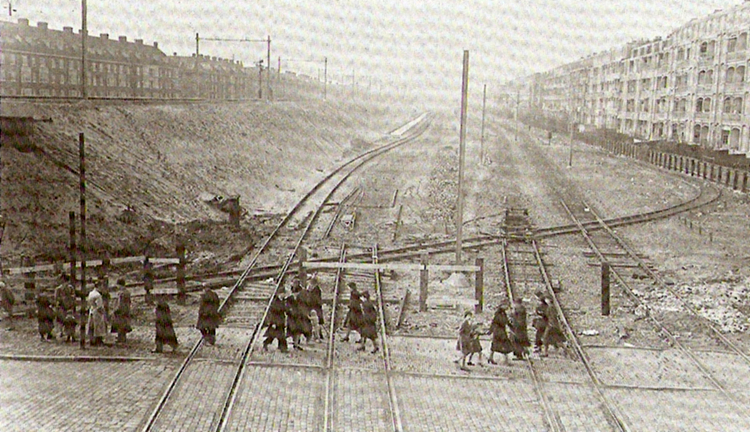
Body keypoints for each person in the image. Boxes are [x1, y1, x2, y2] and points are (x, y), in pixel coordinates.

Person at [285, 284, 312, 350]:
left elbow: (302, 307)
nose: (296, 294)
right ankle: (291, 343)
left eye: (297, 293)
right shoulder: (289, 299)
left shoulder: (300, 298)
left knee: (298, 331)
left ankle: (296, 344)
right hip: (291, 318)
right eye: (295, 293)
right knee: (293, 330)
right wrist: (290, 311)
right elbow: (287, 308)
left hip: (298, 317)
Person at [110, 278, 132, 344]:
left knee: (119, 324)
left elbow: (120, 303)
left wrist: (116, 309)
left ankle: (120, 339)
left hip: (121, 310)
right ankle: (123, 338)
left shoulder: (121, 293)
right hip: (126, 310)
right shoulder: (127, 292)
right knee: (124, 324)